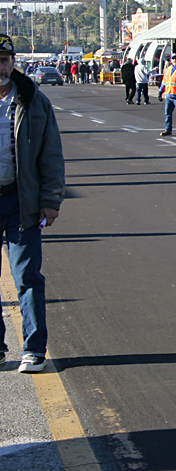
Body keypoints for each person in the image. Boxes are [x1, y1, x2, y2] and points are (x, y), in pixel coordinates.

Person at [0, 34, 65, 374]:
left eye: (3, 60)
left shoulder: (33, 101)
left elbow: (51, 155)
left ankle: (34, 349)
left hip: (20, 202)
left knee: (26, 276)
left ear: (13, 62)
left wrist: (50, 200)